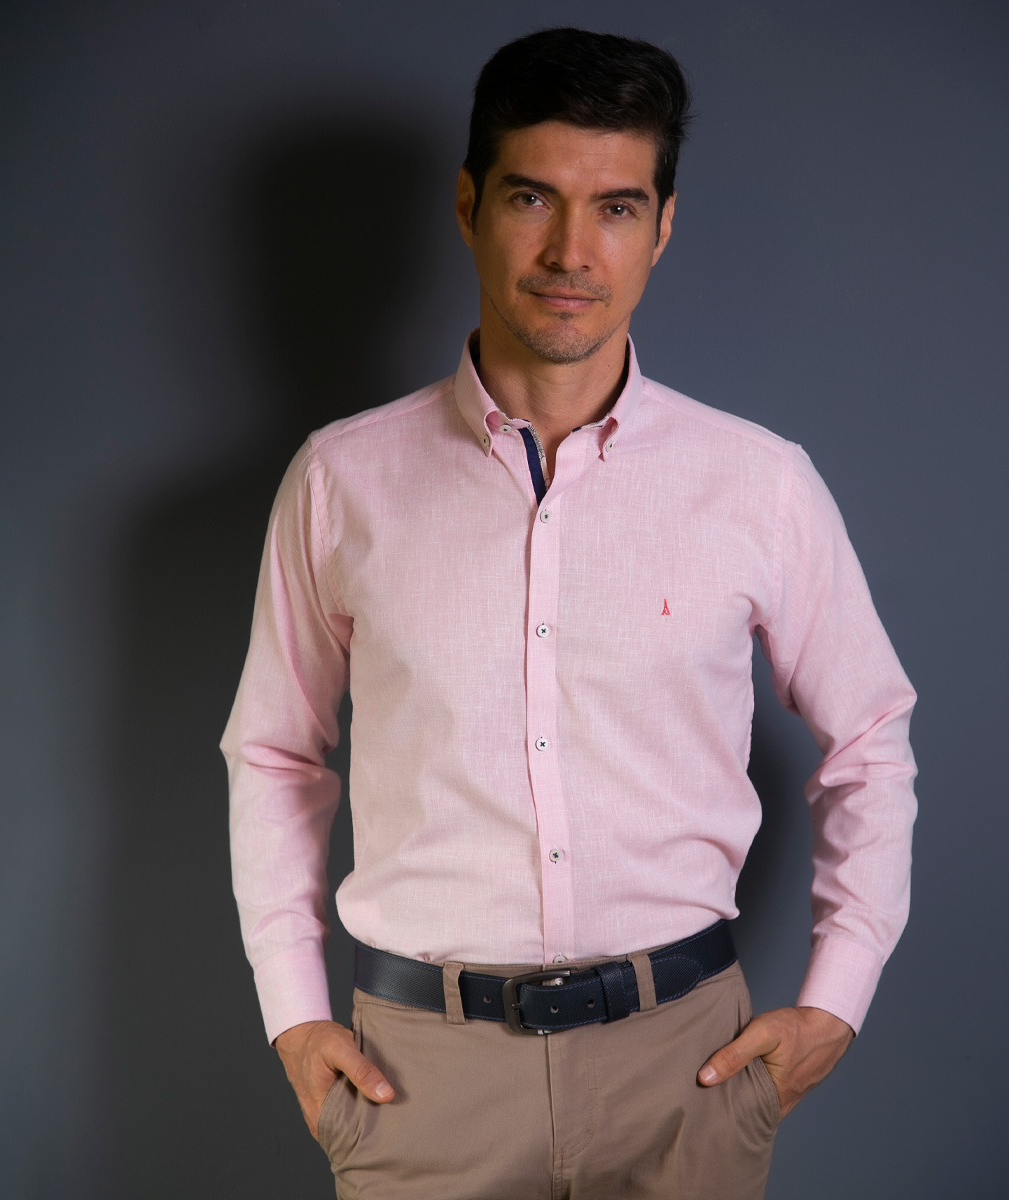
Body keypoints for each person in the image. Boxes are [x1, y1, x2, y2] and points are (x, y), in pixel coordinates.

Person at [222, 26, 917, 1200]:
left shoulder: (759, 483)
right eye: (533, 198)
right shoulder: (341, 481)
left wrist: (837, 998)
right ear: (469, 205)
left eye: (617, 208)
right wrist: (293, 1013)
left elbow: (871, 739)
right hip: (421, 1082)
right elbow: (275, 754)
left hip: (687, 1072)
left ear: (663, 227)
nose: (570, 252)